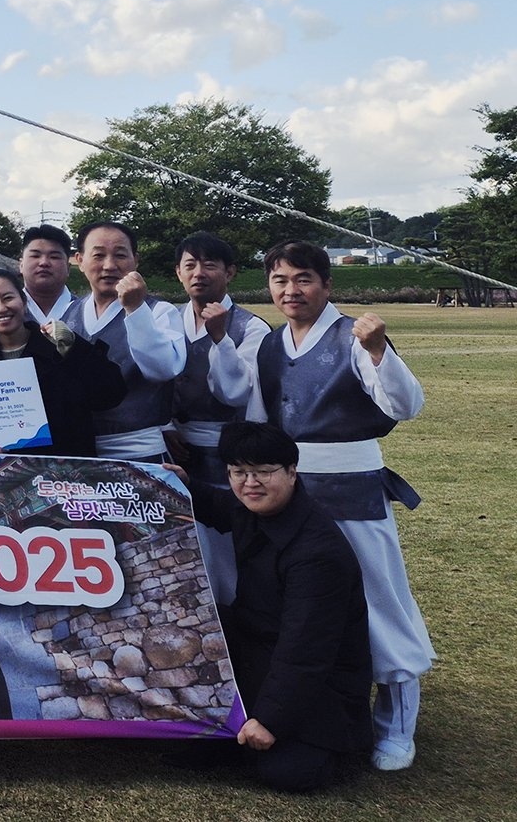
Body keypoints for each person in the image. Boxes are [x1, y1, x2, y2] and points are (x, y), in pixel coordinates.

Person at [209, 240, 432, 770]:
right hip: (288, 491)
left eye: (304, 278)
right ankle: (296, 704)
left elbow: (404, 405)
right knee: (288, 602)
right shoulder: (270, 344)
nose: (292, 290)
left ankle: (397, 725)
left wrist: (378, 352)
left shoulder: (353, 335)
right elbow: (258, 419)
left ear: (327, 285)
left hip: (350, 488)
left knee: (379, 606)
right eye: (280, 280)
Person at [169, 423, 371, 792]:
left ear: (292, 472)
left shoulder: (318, 554)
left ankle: (287, 733)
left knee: (288, 772)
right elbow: (217, 505)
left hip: (318, 680)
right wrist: (181, 484)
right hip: (256, 651)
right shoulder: (253, 508)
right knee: (185, 747)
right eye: (238, 472)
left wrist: (271, 720)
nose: (250, 483)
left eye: (263, 472)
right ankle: (235, 727)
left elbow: (305, 651)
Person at [166, 231, 267, 605]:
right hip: (174, 452)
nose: (199, 273)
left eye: (210, 264)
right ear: (178, 273)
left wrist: (221, 339)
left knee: (229, 551)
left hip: (227, 454)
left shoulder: (250, 327)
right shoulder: (167, 320)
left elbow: (238, 394)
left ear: (230, 272)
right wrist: (165, 425)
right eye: (190, 265)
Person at [0, 268, 125, 456]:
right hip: (5, 469)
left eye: (8, 298)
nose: (1, 308)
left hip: (67, 465)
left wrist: (73, 347)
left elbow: (111, 395)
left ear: (23, 302)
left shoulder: (59, 347)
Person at [64, 222, 186, 465]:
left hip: (139, 453)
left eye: (120, 255)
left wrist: (135, 309)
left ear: (135, 261)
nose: (110, 265)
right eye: (98, 255)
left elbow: (163, 370)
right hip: (79, 452)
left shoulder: (159, 311)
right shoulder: (67, 315)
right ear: (79, 260)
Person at [19, 225, 77, 325]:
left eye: (54, 257)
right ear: (21, 265)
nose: (44, 263)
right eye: (35, 256)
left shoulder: (84, 312)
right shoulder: (7, 312)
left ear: (68, 268)